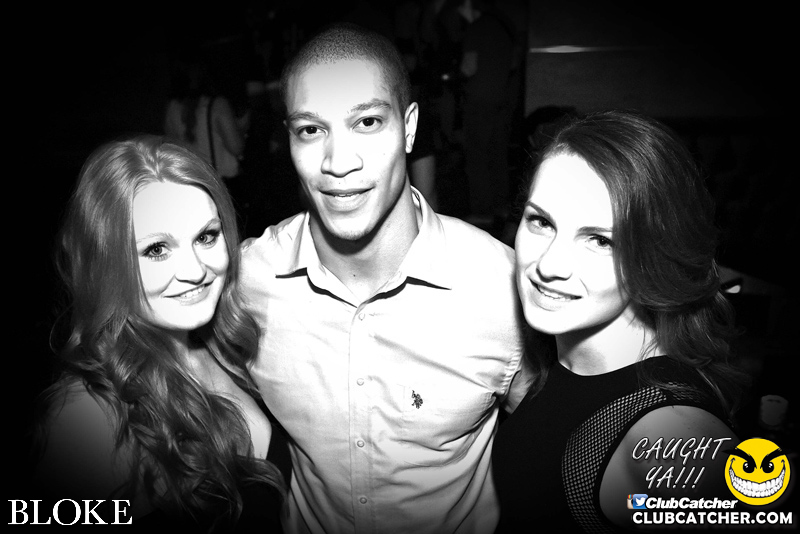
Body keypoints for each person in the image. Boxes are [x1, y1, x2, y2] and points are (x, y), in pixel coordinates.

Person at [239, 22, 533, 534]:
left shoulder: (502, 286)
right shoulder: (249, 280)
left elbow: (548, 442)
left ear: (410, 128)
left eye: (368, 122)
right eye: (311, 130)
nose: (338, 163)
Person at [492, 110, 748, 532]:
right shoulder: (564, 355)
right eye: (541, 221)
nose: (549, 265)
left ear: (655, 254)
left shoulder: (672, 438)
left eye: (600, 240)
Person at [31, 136, 286, 531]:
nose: (195, 271)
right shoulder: (87, 417)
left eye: (206, 237)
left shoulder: (223, 346)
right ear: (106, 263)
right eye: (156, 250)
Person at [164, 49, 251, 216]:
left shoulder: (172, 108)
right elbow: (236, 147)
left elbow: (171, 151)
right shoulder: (217, 105)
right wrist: (242, 126)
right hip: (222, 188)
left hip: (191, 188)